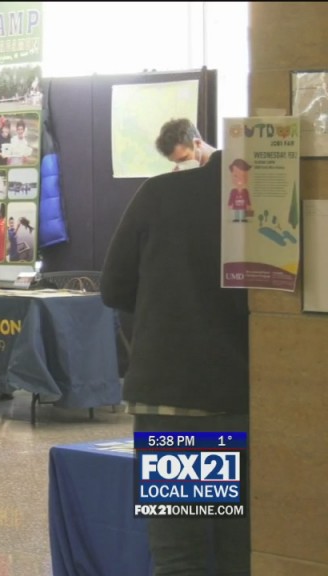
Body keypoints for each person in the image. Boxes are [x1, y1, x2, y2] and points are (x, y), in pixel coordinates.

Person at [100, 119, 250, 575]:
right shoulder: (270, 203)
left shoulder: (160, 195)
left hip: (172, 398)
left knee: (179, 553)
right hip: (245, 396)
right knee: (240, 550)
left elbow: (114, 289)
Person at [227, 158, 253, 222]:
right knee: (237, 212)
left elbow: (247, 199)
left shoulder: (245, 191)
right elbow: (231, 198)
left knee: (242, 211)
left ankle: (243, 218)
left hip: (243, 206)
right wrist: (230, 204)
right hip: (236, 206)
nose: (239, 179)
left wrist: (249, 205)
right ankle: (237, 218)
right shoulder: (233, 191)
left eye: (243, 176)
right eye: (235, 176)